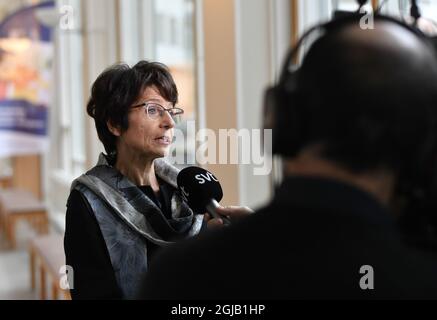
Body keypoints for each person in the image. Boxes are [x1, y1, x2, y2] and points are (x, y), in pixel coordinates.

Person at [140, 16, 437, 299]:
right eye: (152, 110)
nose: (169, 122)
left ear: (279, 118)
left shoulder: (182, 274)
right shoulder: (420, 278)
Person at [64, 61, 250, 300]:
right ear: (114, 123)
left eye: (172, 111)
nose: (169, 122)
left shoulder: (186, 188)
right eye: (152, 110)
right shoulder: (88, 199)